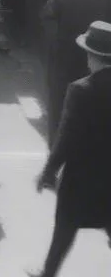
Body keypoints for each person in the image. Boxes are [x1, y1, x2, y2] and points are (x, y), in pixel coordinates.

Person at [31, 20, 111, 277]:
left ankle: (48, 272)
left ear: (92, 55)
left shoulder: (81, 89)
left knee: (65, 229)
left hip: (82, 176)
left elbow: (67, 137)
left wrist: (48, 171)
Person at [40, 0, 111, 143]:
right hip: (96, 57)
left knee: (60, 101)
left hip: (63, 56)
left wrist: (57, 44)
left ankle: (57, 143)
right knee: (92, 100)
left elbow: (48, 20)